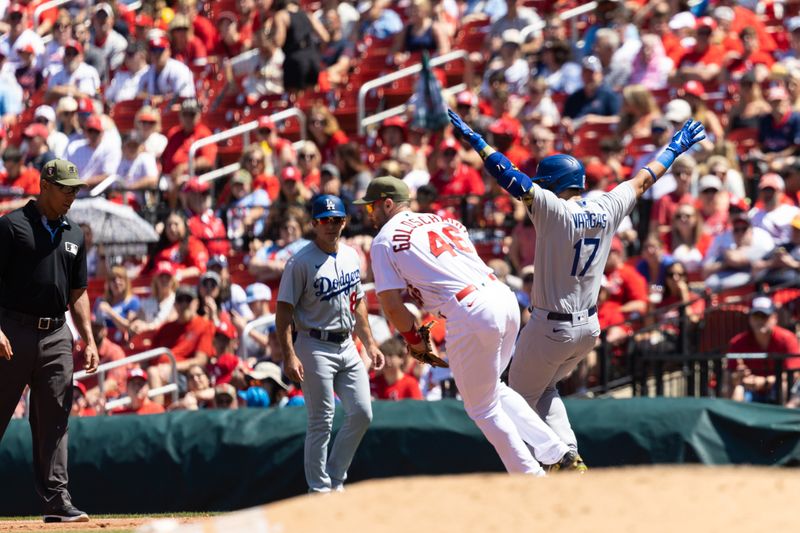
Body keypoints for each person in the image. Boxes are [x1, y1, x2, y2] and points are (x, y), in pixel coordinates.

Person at [448, 108, 706, 471]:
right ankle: (569, 452)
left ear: (552, 183)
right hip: (588, 329)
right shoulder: (607, 204)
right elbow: (645, 179)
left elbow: (511, 177)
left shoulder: (553, 210)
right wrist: (674, 149)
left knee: (515, 400)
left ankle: (559, 460)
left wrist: (478, 142)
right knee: (545, 390)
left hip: (548, 327)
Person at [358, 176, 570, 475]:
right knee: (493, 389)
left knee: (481, 408)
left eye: (371, 208)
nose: (370, 214)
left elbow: (391, 305)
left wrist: (414, 340)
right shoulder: (441, 220)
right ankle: (558, 452)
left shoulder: (383, 240)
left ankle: (531, 478)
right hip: (503, 297)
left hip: (469, 309)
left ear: (388, 204)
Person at [0, 159, 99, 522]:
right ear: (44, 185)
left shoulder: (74, 233)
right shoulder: (11, 226)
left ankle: (57, 501)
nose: (72, 195)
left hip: (57, 333)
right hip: (11, 331)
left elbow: (79, 292)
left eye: (75, 189)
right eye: (66, 188)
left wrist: (88, 338)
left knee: (55, 419)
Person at [276, 194, 385, 493]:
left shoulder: (351, 255)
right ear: (313, 224)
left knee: (363, 412)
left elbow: (358, 303)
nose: (331, 225)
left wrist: (371, 344)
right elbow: (283, 313)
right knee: (321, 420)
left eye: (336, 219)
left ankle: (335, 478)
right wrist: (289, 355)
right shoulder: (299, 262)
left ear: (345, 221)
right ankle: (319, 491)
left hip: (347, 343)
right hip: (314, 343)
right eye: (324, 220)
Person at [727, 296, 800, 403]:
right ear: (750, 319)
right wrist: (738, 376)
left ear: (774, 318)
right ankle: (736, 419)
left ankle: (784, 418)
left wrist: (765, 382)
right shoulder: (737, 342)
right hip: (751, 390)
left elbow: (794, 374)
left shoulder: (787, 339)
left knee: (784, 386)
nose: (760, 321)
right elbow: (729, 376)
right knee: (738, 389)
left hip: (778, 388)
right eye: (756, 316)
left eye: (764, 316)